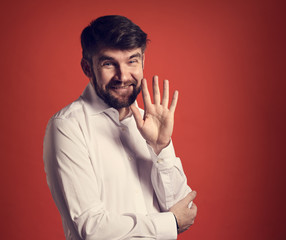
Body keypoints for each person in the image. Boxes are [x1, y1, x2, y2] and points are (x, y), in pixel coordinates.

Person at [43, 15, 197, 240]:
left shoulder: (150, 122)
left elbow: (182, 208)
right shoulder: (67, 126)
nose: (123, 76)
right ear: (88, 67)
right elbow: (91, 228)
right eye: (108, 63)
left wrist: (160, 147)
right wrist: (169, 223)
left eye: (132, 61)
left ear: (143, 60)